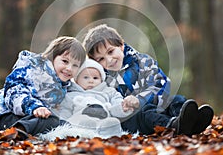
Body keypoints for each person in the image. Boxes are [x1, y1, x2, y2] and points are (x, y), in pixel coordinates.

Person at [82, 24, 214, 136]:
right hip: (132, 119)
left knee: (176, 100)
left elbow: (161, 83)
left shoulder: (142, 61)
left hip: (156, 104)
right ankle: (171, 126)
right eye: (101, 59)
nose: (109, 60)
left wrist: (139, 99)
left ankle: (190, 122)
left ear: (121, 46)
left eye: (110, 52)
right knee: (146, 112)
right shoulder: (100, 78)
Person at [0, 36, 86, 139]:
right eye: (65, 61)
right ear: (52, 58)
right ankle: (16, 132)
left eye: (75, 65)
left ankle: (22, 131)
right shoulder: (34, 70)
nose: (69, 68)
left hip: (30, 119)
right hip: (5, 116)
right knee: (49, 120)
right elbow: (14, 90)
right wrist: (34, 107)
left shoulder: (63, 86)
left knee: (63, 124)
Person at [54, 59, 139, 137]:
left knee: (112, 122)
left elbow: (117, 104)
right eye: (86, 77)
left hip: (103, 119)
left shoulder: (107, 92)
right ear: (76, 80)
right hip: (79, 119)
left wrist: (123, 108)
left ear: (101, 80)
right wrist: (63, 122)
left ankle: (110, 135)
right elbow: (65, 110)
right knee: (84, 122)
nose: (91, 81)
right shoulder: (71, 94)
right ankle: (85, 132)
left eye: (95, 78)